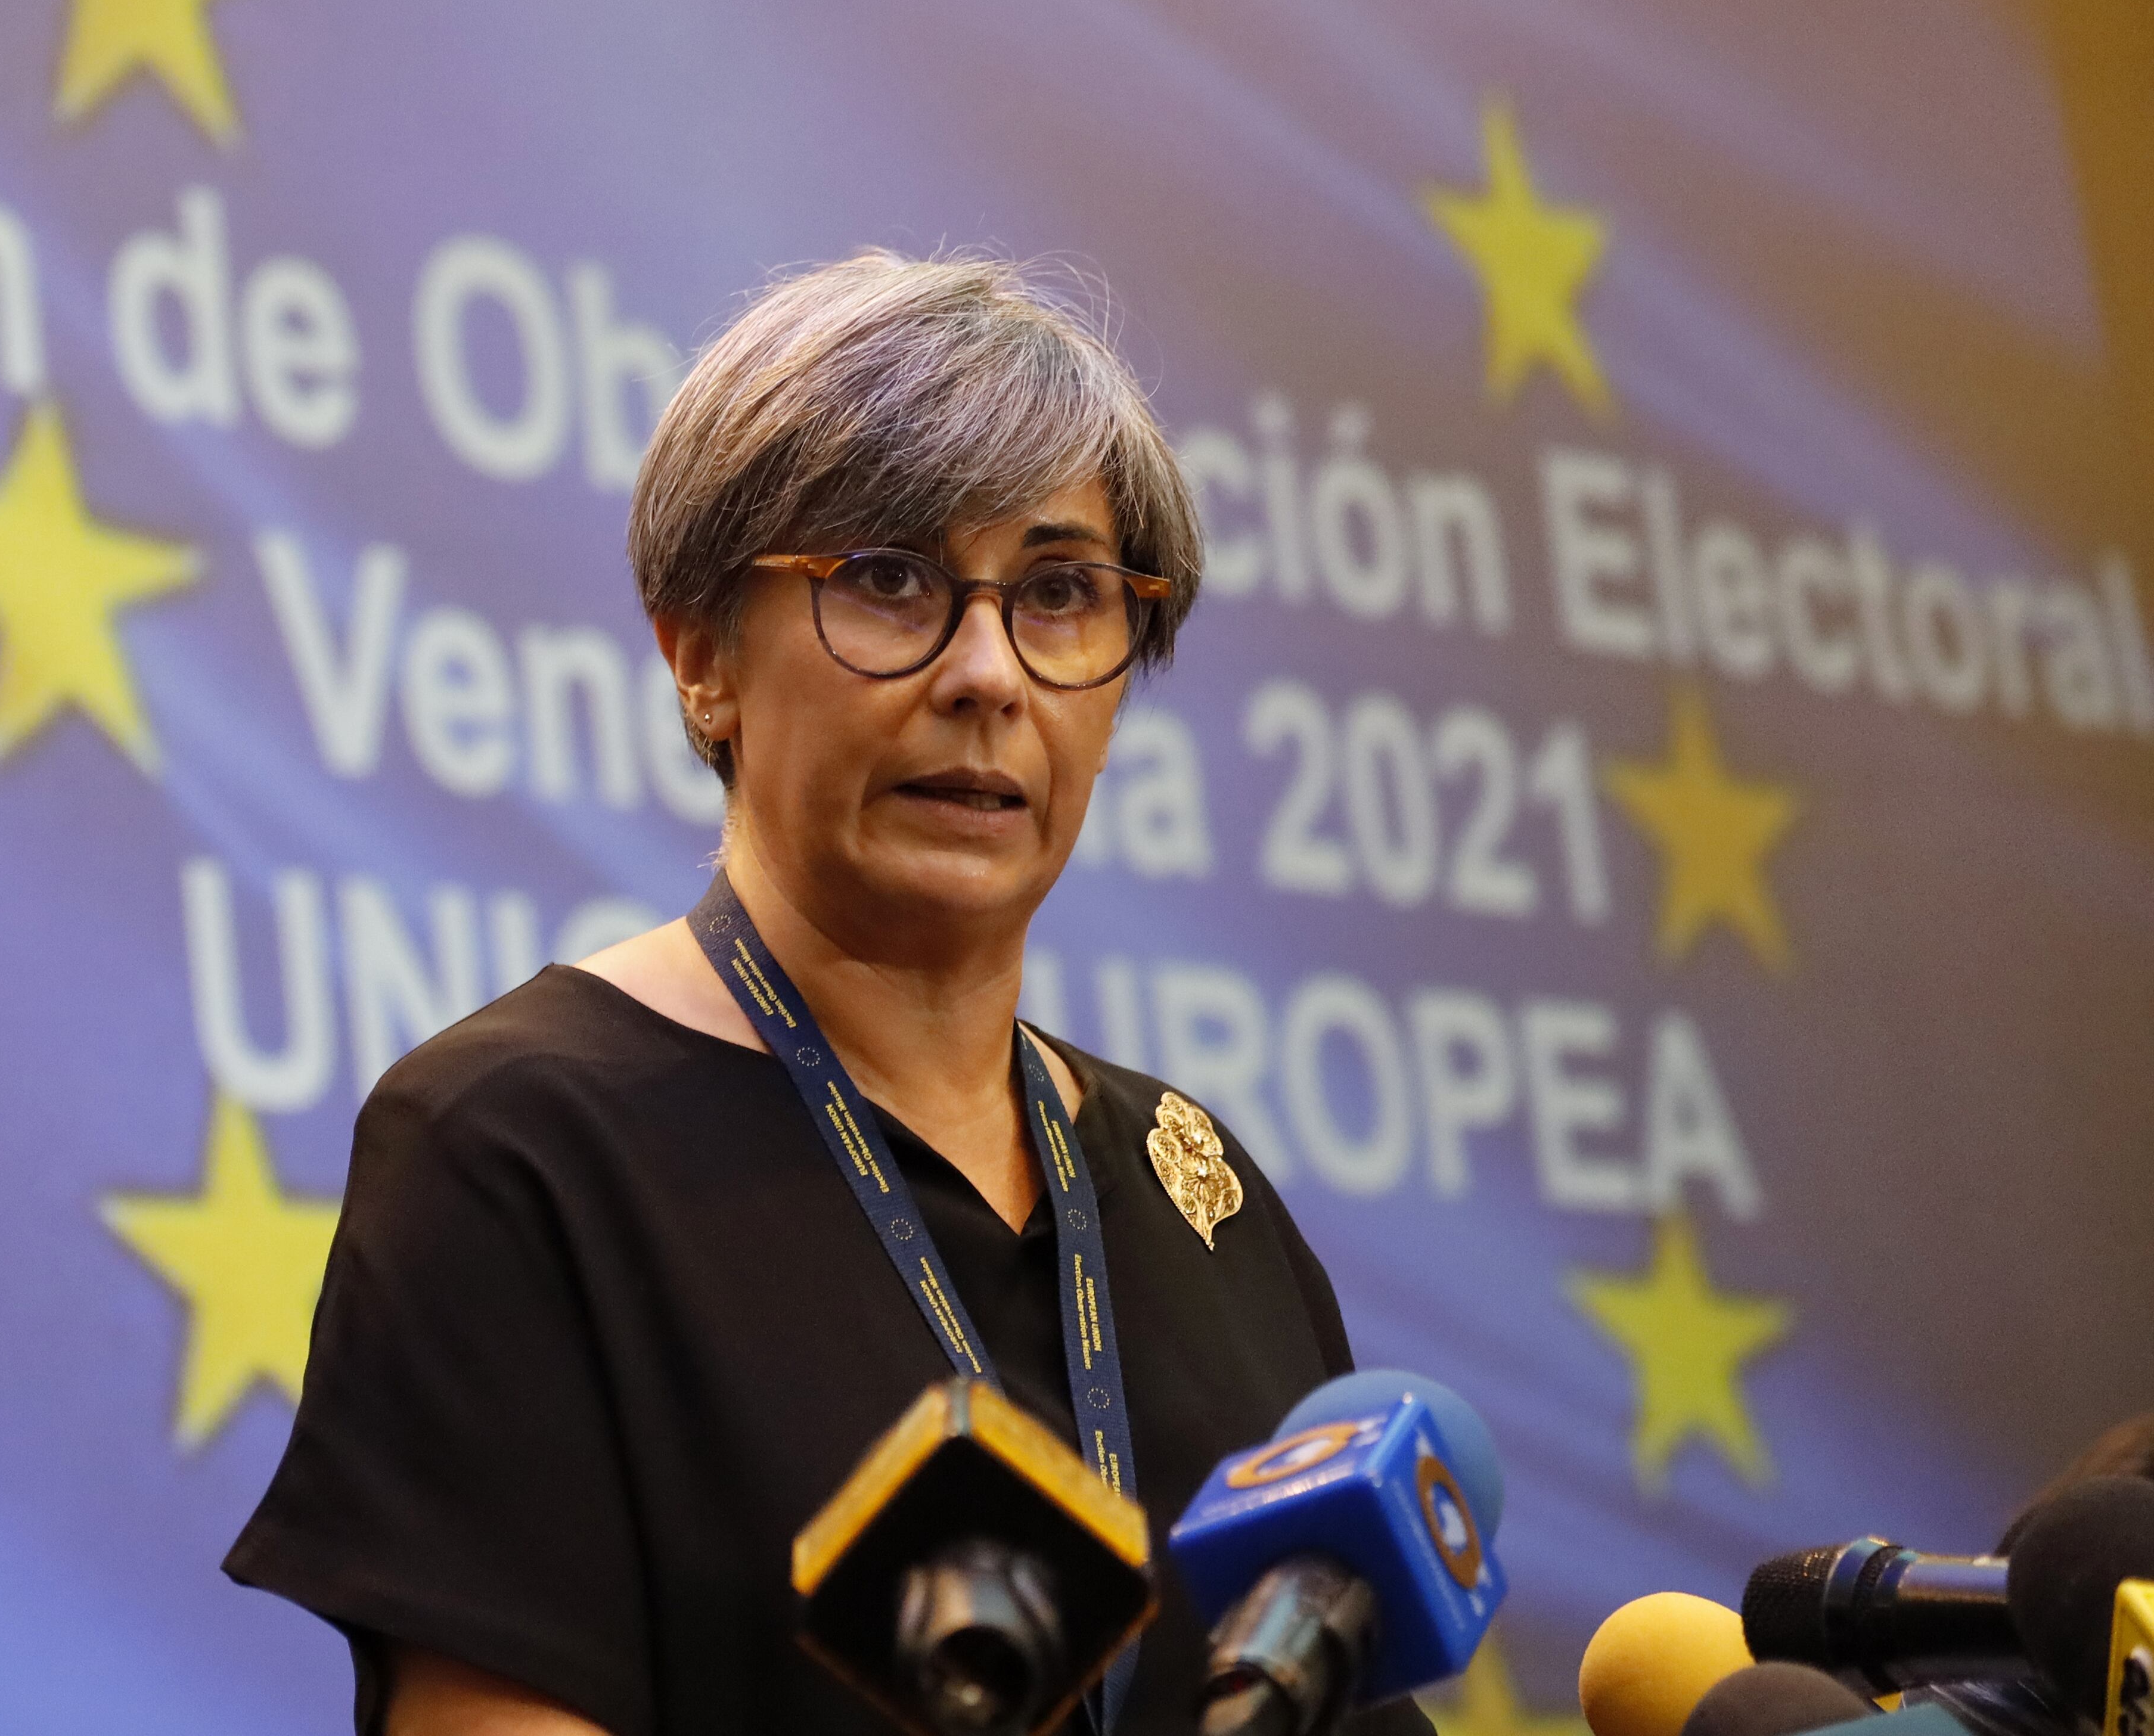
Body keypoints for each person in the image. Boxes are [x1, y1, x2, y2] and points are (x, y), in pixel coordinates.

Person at [227, 251, 1433, 1736]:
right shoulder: (521, 1147)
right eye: (888, 579)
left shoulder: (1204, 1196)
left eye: (1059, 592)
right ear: (698, 655)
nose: (988, 671)